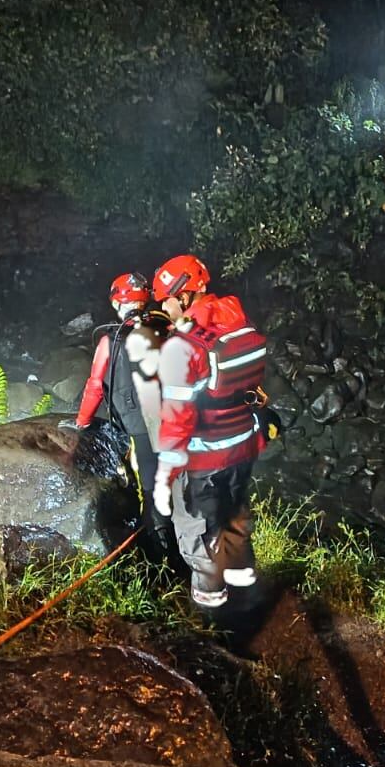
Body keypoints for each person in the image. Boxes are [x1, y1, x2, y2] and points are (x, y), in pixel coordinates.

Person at [151, 254, 267, 609]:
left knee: (194, 524)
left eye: (166, 300)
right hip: (244, 443)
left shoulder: (182, 347)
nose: (163, 307)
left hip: (205, 454)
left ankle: (210, 601)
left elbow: (177, 420)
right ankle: (243, 575)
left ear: (183, 296)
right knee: (234, 510)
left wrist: (163, 479)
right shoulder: (238, 318)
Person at [73, 272, 175, 557]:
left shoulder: (110, 340)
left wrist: (82, 423)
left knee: (152, 492)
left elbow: (95, 386)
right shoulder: (165, 331)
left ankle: (162, 557)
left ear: (118, 304)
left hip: (140, 427)